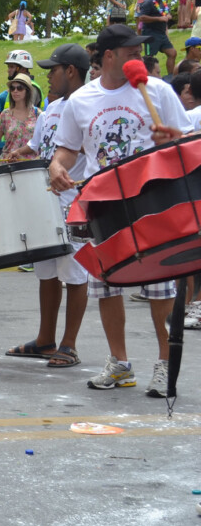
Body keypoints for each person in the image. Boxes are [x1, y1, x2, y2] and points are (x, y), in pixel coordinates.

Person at [48, 24, 192, 398]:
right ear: (109, 56)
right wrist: (57, 166)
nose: (139, 58)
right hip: (105, 201)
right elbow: (68, 148)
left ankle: (165, 364)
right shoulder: (81, 101)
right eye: (131, 53)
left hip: (153, 198)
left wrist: (171, 139)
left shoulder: (158, 91)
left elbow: (187, 139)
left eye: (140, 53)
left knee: (159, 286)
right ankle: (119, 363)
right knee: (107, 284)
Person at [1, 44, 92, 367]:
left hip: (74, 204)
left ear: (71, 71)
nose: (48, 77)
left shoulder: (88, 104)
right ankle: (45, 340)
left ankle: (69, 345)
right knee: (47, 272)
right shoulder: (51, 108)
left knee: (75, 275)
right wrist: (20, 152)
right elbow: (39, 145)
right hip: (45, 202)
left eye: (53, 70)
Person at [0, 73, 39, 161]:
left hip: (30, 165)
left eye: (19, 88)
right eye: (12, 88)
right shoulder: (5, 114)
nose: (15, 91)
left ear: (27, 91)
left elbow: (42, 142)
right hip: (8, 164)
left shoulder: (38, 114)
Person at [139, 0, 177, 76]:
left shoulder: (162, 1)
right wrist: (158, 19)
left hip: (162, 34)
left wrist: (168, 15)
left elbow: (166, 12)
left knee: (172, 53)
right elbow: (142, 17)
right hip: (151, 34)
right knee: (149, 58)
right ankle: (147, 78)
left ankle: (170, 77)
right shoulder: (148, 2)